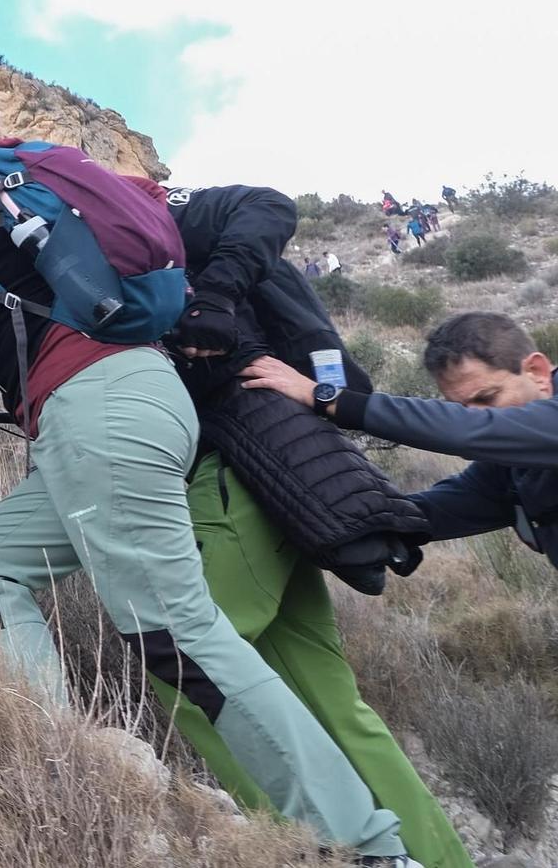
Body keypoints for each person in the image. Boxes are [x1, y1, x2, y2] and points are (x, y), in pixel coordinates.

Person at [0, 80, 415, 864]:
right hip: (143, 399)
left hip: (95, 409)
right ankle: (60, 760)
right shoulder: (37, 172)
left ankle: (369, 844)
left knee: (178, 634)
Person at [164, 186, 467, 868]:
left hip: (233, 477)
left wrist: (209, 297)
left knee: (180, 667)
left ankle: (303, 850)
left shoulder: (163, 224)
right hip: (289, 485)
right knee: (335, 704)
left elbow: (267, 203)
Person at [245, 312, 558, 572]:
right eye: (463, 407)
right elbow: (444, 507)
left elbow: (471, 431)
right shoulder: (511, 469)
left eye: (487, 397)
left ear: (537, 371)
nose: (478, 415)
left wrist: (328, 399)